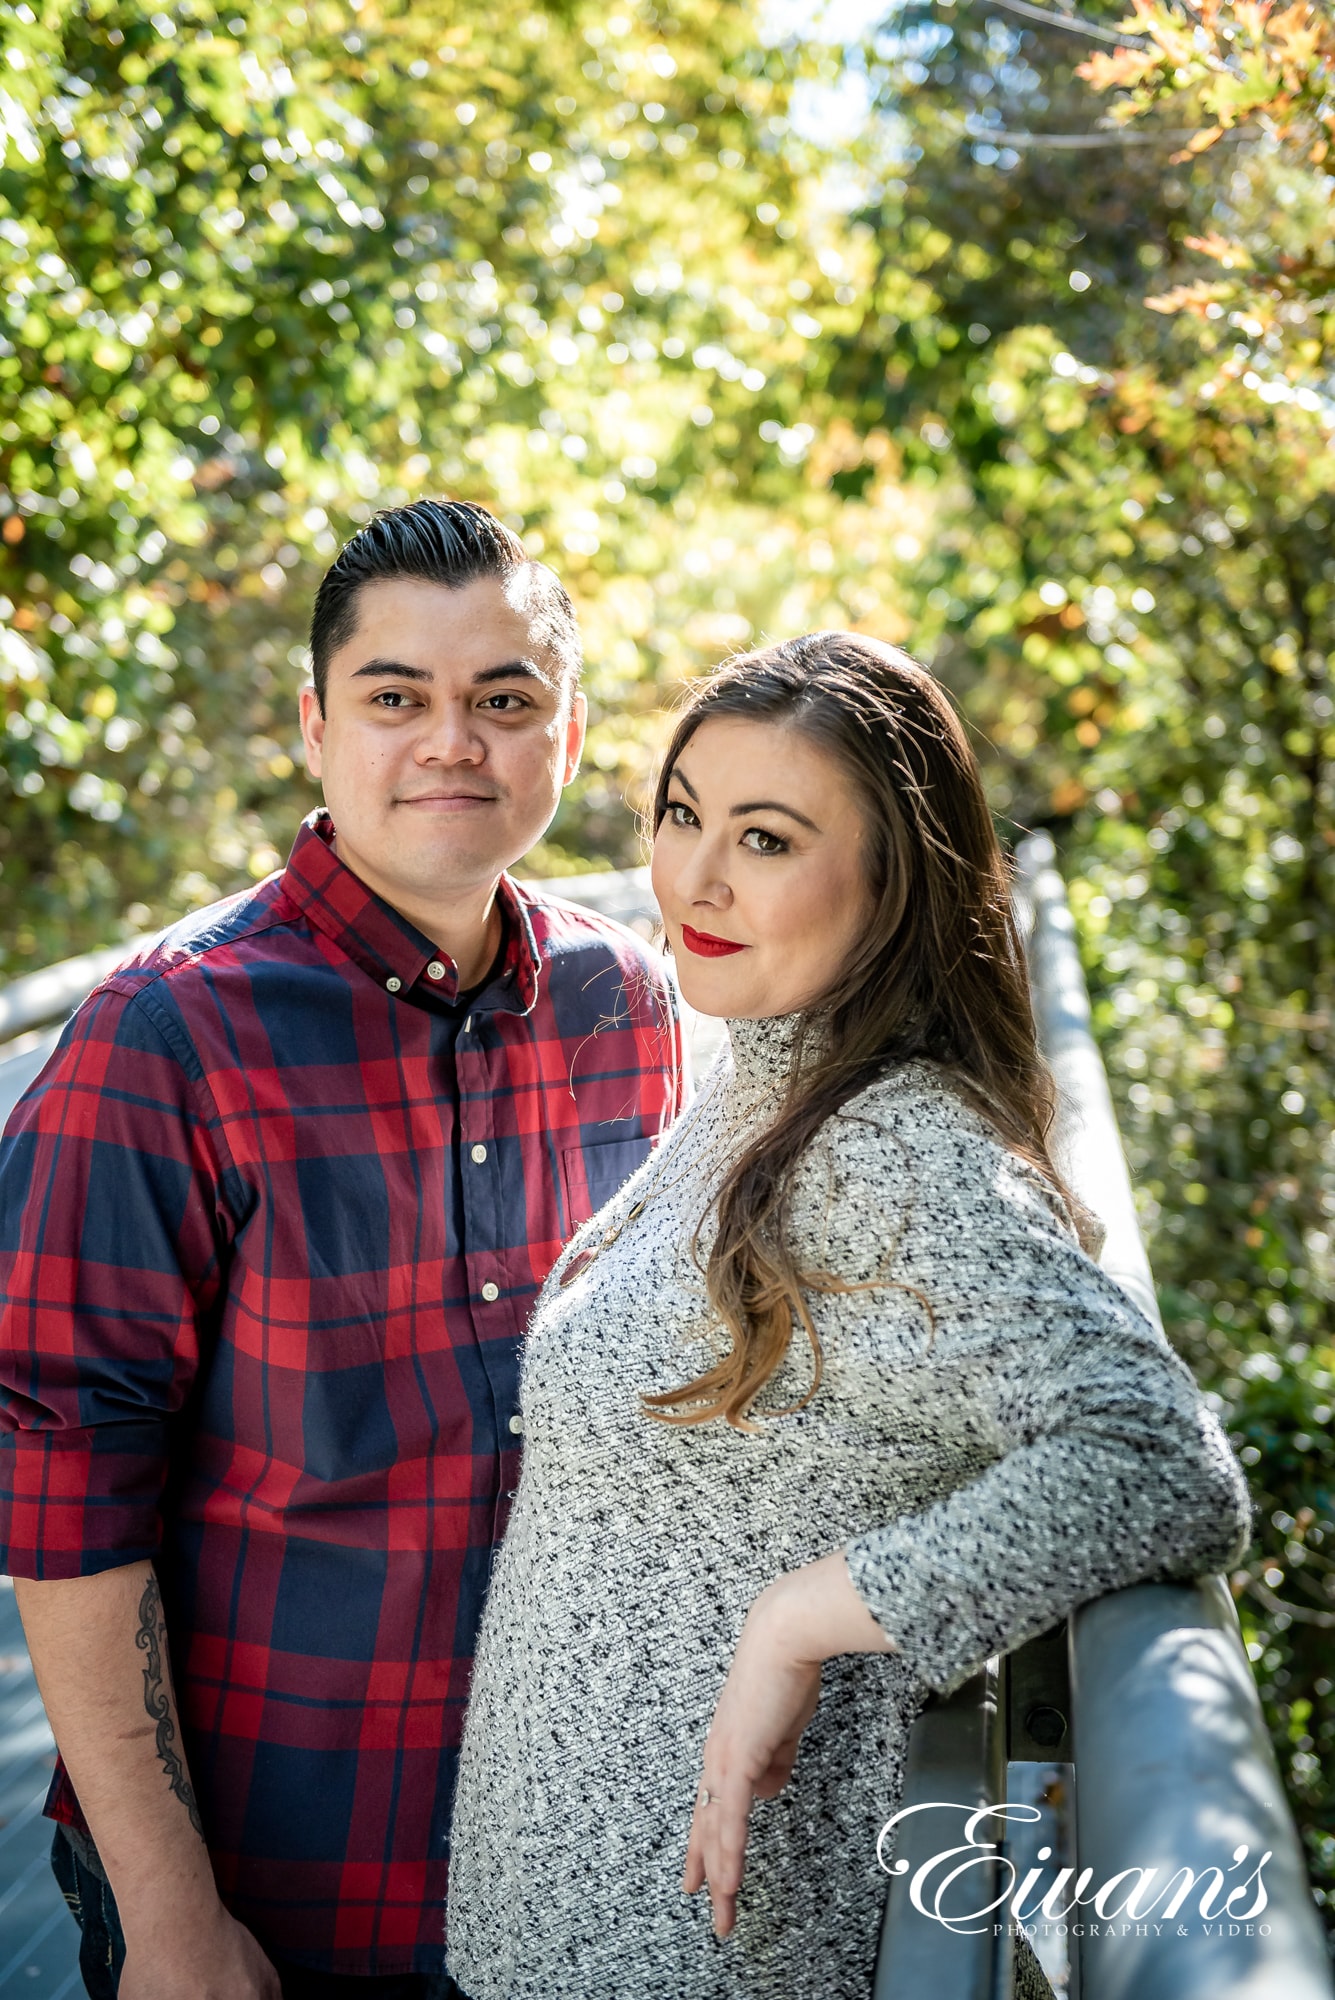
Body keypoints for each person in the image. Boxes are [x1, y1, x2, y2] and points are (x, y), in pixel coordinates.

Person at [445, 632, 1254, 2000]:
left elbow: (1156, 1458)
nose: (694, 877)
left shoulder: (892, 1153)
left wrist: (807, 1617)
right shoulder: (761, 1082)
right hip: (552, 1931)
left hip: (694, 1951)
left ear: (893, 885)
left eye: (765, 839)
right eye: (684, 814)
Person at [0, 499, 686, 1999]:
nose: (454, 741)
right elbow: (63, 1493)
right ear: (317, 726)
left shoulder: (625, 1009)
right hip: (269, 1880)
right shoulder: (164, 1038)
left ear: (564, 739)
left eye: (503, 701)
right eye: (397, 697)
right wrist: (171, 1915)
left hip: (567, 1866)